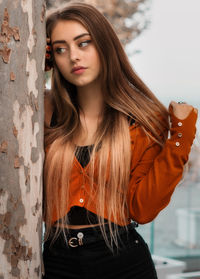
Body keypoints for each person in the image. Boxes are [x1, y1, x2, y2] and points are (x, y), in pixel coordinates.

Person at [43, 2, 198, 279]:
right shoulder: (43, 111)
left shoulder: (143, 120)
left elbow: (143, 209)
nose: (73, 57)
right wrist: (29, 64)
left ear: (104, 45)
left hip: (124, 263)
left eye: (84, 43)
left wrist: (180, 139)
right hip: (56, 263)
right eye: (60, 49)